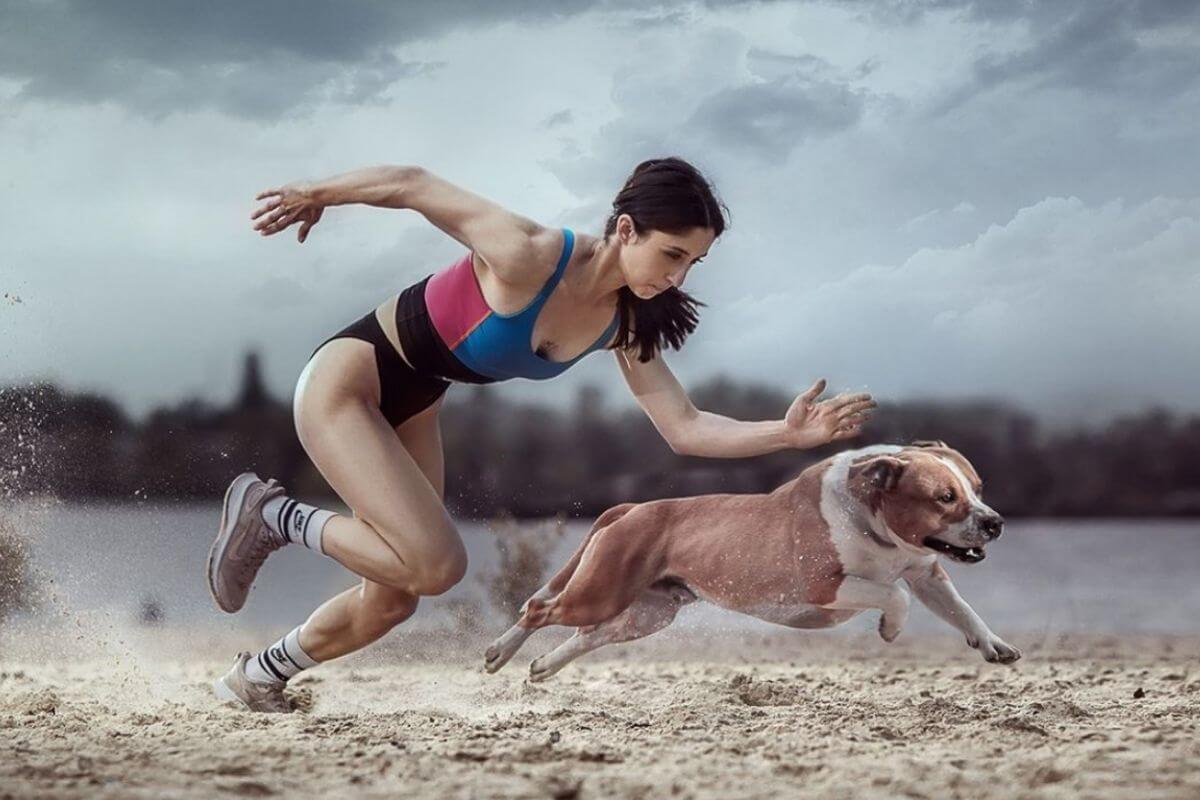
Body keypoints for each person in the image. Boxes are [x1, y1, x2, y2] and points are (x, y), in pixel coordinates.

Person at [207, 157, 876, 712]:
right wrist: (315, 193)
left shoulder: (626, 323)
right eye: (671, 254)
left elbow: (687, 427)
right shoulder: (529, 254)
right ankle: (271, 513)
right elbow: (413, 184)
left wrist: (785, 436)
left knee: (394, 599)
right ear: (624, 228)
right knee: (437, 566)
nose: (676, 277)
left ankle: (258, 677)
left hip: (413, 404)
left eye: (692, 264)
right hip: (348, 383)